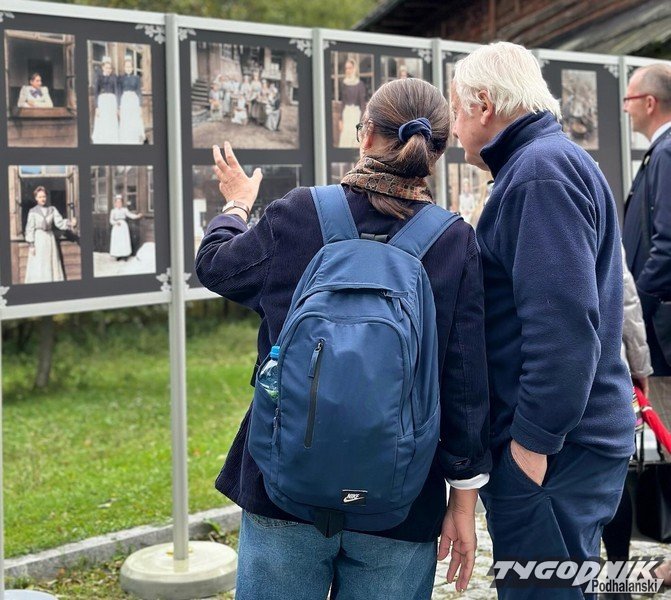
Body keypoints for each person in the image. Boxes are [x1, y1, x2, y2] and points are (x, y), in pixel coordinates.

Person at [196, 77, 491, 599]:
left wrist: (237, 206)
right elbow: (464, 381)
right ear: (436, 152)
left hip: (283, 484)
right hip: (401, 499)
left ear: (365, 135)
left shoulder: (299, 213)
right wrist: (462, 502)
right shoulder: (452, 241)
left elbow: (217, 266)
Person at [452, 41, 635, 599]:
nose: (454, 128)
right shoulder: (544, 163)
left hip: (555, 452)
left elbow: (562, 330)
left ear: (485, 104)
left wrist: (531, 448)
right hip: (565, 446)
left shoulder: (539, 173)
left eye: (457, 110)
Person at [622, 63, 671, 459]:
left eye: (629, 99)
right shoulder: (661, 153)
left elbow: (667, 246)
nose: (625, 107)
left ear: (650, 102)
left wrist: (636, 306)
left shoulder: (667, 153)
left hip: (663, 333)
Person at [24, 186, 74, 284]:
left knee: (50, 261)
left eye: (44, 196)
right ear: (36, 198)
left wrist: (70, 223)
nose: (42, 199)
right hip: (38, 239)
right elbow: (29, 228)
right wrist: (31, 245)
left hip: (49, 238)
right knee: (39, 262)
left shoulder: (52, 209)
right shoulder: (33, 211)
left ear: (46, 197)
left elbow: (59, 223)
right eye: (40, 197)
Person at [338, 58, 367, 148]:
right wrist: (340, 119)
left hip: (356, 115)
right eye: (346, 68)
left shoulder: (360, 85)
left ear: (354, 69)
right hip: (346, 115)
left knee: (355, 140)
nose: (348, 70)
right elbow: (343, 102)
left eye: (350, 68)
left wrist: (361, 123)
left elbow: (362, 105)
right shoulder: (344, 84)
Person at [117, 58, 146, 144]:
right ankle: (126, 139)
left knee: (134, 119)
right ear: (124, 68)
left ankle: (135, 139)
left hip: (134, 100)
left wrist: (140, 106)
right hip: (125, 100)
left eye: (130, 67)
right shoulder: (121, 78)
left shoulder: (136, 78)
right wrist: (119, 106)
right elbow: (119, 92)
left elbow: (139, 91)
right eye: (127, 67)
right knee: (126, 119)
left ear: (132, 68)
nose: (128, 68)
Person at [92, 57, 119, 144]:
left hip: (111, 101)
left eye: (110, 68)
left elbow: (116, 91)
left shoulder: (114, 77)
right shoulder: (99, 77)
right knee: (103, 120)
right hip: (102, 102)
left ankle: (111, 140)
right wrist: (97, 107)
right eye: (107, 68)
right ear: (103, 67)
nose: (108, 70)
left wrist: (117, 107)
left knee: (111, 120)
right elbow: (96, 92)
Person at [109, 194, 142, 260]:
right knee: (118, 241)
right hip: (116, 227)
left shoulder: (124, 210)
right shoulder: (113, 211)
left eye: (120, 202)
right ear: (115, 203)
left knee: (124, 240)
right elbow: (111, 220)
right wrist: (115, 223)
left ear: (122, 203)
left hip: (123, 227)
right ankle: (118, 255)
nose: (119, 203)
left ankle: (125, 255)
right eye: (117, 202)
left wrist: (137, 216)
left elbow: (130, 215)